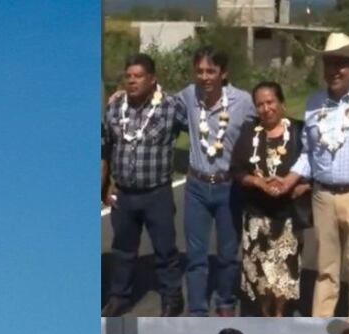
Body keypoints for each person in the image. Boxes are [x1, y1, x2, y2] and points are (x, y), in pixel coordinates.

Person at [274, 34, 349, 317]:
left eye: (341, 64)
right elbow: (309, 153)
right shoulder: (314, 102)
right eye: (329, 64)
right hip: (322, 196)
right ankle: (320, 328)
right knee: (326, 271)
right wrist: (289, 180)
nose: (334, 70)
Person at [174, 47, 256, 316]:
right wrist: (121, 95)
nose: (205, 77)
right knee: (195, 255)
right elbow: (160, 102)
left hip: (229, 186)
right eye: (199, 71)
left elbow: (263, 127)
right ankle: (197, 308)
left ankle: (225, 301)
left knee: (228, 254)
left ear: (224, 73)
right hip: (197, 186)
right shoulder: (189, 95)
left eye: (211, 71)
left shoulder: (243, 101)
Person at [101, 53, 184, 317]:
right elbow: (106, 147)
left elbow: (201, 128)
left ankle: (171, 298)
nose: (132, 81)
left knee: (165, 250)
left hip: (157, 193)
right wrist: (104, 185)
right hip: (124, 195)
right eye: (128, 76)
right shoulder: (115, 108)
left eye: (138, 76)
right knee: (122, 251)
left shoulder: (170, 107)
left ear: (152, 79)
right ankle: (119, 297)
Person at [231, 81, 311, 316]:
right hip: (257, 216)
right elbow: (236, 170)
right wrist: (257, 182)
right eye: (260, 104)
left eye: (270, 102)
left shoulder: (299, 131)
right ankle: (265, 311)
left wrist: (301, 186)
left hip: (288, 217)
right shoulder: (249, 132)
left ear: (282, 103)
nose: (266, 109)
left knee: (284, 273)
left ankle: (279, 313)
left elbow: (316, 165)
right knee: (261, 274)